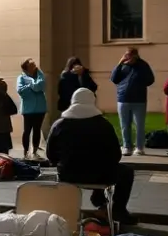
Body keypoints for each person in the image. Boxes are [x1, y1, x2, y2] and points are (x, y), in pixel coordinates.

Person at [46, 88, 137, 225]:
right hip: (101, 175)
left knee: (92, 167)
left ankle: (95, 202)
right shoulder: (104, 125)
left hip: (68, 174)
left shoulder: (59, 125)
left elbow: (50, 155)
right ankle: (117, 209)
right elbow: (115, 155)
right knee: (126, 172)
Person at [109, 47, 155, 156]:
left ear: (136, 55)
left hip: (139, 100)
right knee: (125, 124)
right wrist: (120, 63)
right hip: (123, 98)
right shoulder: (123, 65)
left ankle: (139, 147)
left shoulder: (143, 65)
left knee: (139, 125)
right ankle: (127, 146)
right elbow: (114, 78)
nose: (128, 57)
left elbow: (150, 80)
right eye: (126, 55)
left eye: (130, 55)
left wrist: (139, 82)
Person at [16, 58, 47, 159]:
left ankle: (35, 150)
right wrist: (32, 86)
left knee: (37, 130)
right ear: (27, 68)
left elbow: (40, 86)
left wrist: (30, 86)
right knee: (27, 130)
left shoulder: (40, 75)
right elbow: (20, 91)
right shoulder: (21, 77)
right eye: (32, 65)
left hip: (40, 108)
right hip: (28, 109)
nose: (35, 66)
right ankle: (25, 151)